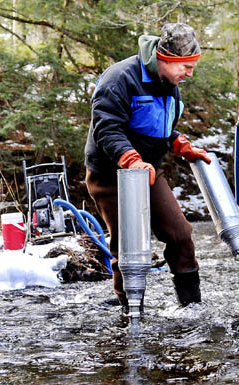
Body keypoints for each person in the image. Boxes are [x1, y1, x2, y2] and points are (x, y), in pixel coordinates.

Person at [84, 23, 211, 312]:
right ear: (165, 58)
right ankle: (130, 312)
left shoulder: (171, 84)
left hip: (150, 171)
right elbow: (106, 127)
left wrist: (179, 143)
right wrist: (130, 158)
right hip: (110, 174)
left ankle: (192, 310)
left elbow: (161, 127)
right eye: (186, 66)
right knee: (128, 244)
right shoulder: (120, 78)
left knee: (181, 234)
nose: (190, 73)